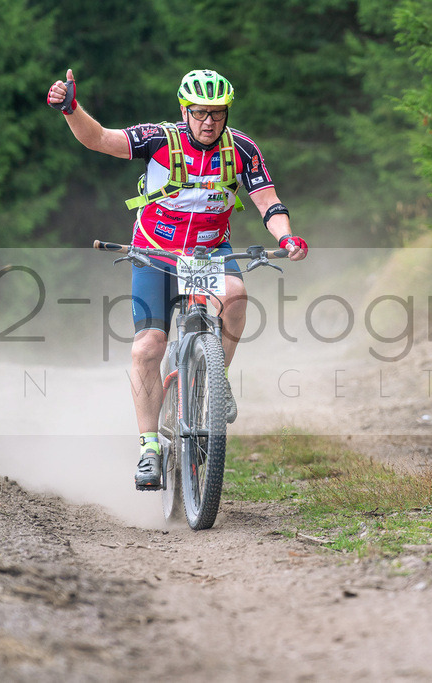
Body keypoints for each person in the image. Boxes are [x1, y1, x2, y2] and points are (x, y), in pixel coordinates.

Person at [47, 68, 308, 490]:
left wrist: (286, 236)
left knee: (237, 295)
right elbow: (99, 139)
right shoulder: (158, 139)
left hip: (209, 252)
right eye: (201, 113)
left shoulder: (241, 148)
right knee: (149, 347)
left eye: (218, 114)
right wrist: (71, 109)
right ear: (185, 110)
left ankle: (215, 382)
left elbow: (268, 199)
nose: (209, 122)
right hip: (155, 253)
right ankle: (149, 449)